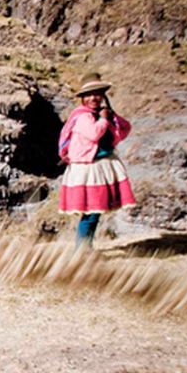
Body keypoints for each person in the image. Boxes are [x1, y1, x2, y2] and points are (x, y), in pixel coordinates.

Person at [57, 72, 137, 247]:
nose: (93, 98)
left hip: (98, 167)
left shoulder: (97, 113)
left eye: (97, 94)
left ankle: (85, 249)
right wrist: (104, 119)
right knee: (91, 212)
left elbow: (124, 127)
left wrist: (110, 113)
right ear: (83, 98)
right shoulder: (83, 116)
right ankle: (82, 250)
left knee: (95, 212)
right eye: (89, 95)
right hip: (87, 169)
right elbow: (94, 134)